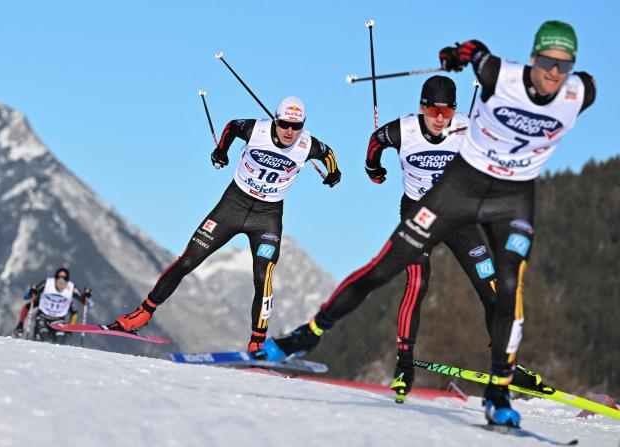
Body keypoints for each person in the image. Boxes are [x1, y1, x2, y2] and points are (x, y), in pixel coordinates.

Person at [268, 21, 595, 427]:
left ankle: (504, 375)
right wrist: (374, 170)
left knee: (500, 290)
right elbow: (376, 142)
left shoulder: (568, 94)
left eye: (445, 111)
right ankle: (372, 353)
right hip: (431, 204)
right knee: (408, 279)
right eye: (432, 109)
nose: (439, 118)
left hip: (482, 210)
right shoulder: (421, 119)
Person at [109, 96, 342, 352]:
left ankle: (257, 346)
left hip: (267, 217)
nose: (289, 131)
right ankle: (141, 314)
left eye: (296, 126)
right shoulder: (256, 130)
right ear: (275, 119)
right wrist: (221, 152)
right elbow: (231, 126)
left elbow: (329, 156)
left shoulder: (308, 145)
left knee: (264, 278)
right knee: (188, 260)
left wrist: (334, 175)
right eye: (285, 123)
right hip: (233, 205)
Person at [13, 267, 92, 343]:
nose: (61, 284)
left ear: (67, 282)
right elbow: (26, 298)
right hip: (42, 318)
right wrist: (20, 324)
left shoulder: (72, 289)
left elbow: (87, 304)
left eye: (63, 282)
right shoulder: (47, 284)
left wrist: (87, 296)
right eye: (59, 281)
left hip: (59, 320)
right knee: (45, 339)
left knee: (59, 343)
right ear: (55, 280)